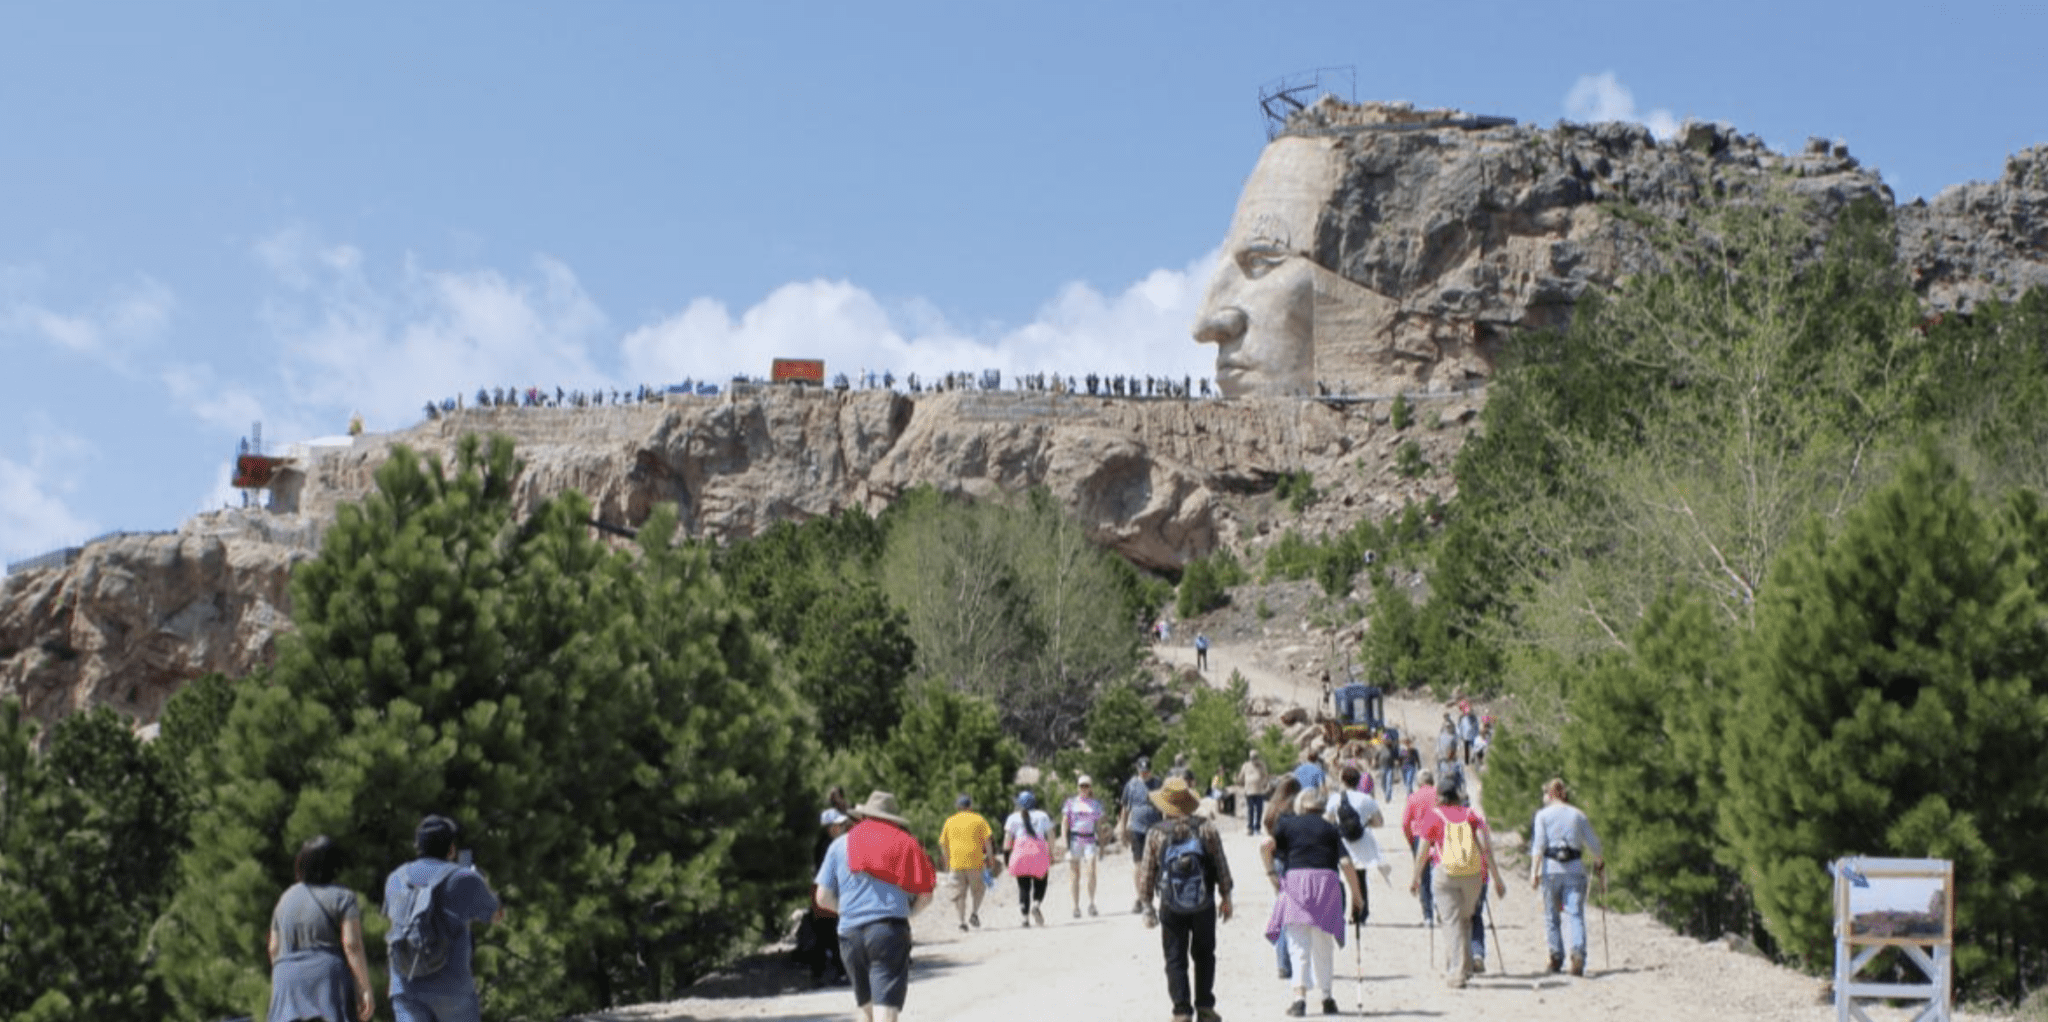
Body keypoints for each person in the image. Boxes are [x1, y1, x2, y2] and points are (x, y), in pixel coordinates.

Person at [815, 791, 937, 1022]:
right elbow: (926, 894)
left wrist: (847, 911)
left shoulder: (840, 845)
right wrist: (910, 913)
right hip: (888, 930)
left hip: (849, 932)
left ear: (864, 815)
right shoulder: (906, 843)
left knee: (866, 1008)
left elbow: (822, 898)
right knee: (885, 1009)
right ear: (893, 819)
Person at [381, 815, 503, 1022]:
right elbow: (496, 915)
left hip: (404, 986)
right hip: (451, 989)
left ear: (417, 845)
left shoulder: (396, 878)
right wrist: (482, 882)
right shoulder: (463, 878)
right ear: (451, 849)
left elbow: (390, 919)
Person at [1138, 777, 1235, 1022]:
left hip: (1170, 905)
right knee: (1205, 954)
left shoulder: (1156, 833)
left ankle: (1181, 1011)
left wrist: (1147, 905)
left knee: (1174, 957)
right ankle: (1205, 1007)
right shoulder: (1206, 827)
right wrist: (1226, 896)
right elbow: (1220, 864)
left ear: (1165, 806)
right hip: (1203, 903)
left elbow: (1147, 872)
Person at [1263, 788, 1366, 1017]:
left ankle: (1299, 1000)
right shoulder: (1331, 829)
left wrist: (1271, 874)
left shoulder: (1287, 826)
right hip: (1326, 886)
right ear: (1322, 806)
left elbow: (1265, 846)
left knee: (1298, 944)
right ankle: (1327, 998)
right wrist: (1356, 897)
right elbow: (1347, 863)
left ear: (1301, 805)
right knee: (1323, 944)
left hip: (1296, 884)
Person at [1409, 777, 1506, 989]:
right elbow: (1485, 848)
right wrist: (1497, 879)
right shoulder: (1472, 816)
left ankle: (1457, 971)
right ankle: (1467, 964)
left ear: (1440, 797)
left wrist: (1416, 877)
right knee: (1465, 919)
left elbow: (1423, 851)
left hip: (1446, 874)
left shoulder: (1435, 816)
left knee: (1450, 921)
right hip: (1473, 875)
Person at [267, 835, 374, 1022]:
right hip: (326, 980)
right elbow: (351, 945)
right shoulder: (343, 897)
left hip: (286, 977)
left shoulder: (286, 897)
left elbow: (274, 948)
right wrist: (364, 988)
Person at [1530, 778, 1605, 976]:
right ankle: (1578, 953)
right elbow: (1594, 844)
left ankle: (1556, 957)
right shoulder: (1578, 815)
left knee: (1551, 916)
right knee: (1575, 914)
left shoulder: (1542, 816)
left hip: (1551, 869)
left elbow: (1539, 846)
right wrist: (1599, 862)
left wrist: (1534, 872)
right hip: (1574, 869)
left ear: (1550, 794)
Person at [797, 808, 852, 985]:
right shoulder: (829, 846)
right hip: (828, 893)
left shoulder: (826, 843)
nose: (843, 827)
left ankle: (820, 973)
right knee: (833, 933)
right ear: (830, 827)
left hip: (823, 893)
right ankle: (836, 971)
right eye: (839, 824)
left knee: (825, 933)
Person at [938, 794, 996, 931]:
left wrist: (947, 862)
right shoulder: (979, 819)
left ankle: (961, 922)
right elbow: (988, 841)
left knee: (959, 893)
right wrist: (990, 858)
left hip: (956, 863)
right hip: (975, 862)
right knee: (979, 890)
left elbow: (942, 844)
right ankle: (974, 913)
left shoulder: (949, 821)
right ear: (970, 806)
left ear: (958, 807)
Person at [1003, 791, 1056, 927]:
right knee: (1041, 882)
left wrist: (1006, 858)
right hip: (1039, 851)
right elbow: (1050, 836)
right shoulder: (1043, 815)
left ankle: (1025, 919)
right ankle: (1036, 904)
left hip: (1020, 851)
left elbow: (1007, 840)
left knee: (1023, 887)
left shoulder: (1012, 818)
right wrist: (1051, 853)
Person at [1120, 757, 1163, 910]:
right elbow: (1125, 808)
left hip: (1155, 828)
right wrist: (1122, 829)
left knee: (1157, 862)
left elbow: (1165, 807)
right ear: (1138, 770)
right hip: (1137, 828)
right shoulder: (1131, 785)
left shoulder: (1158, 783)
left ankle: (1159, 892)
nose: (1145, 774)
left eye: (1147, 771)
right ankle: (1140, 898)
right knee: (1138, 864)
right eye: (1142, 771)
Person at [1059, 776, 1105, 918]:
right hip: (1075, 839)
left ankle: (1091, 903)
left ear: (1090, 787)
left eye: (1086, 786)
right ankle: (1075, 906)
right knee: (1075, 874)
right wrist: (1064, 843)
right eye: (1081, 786)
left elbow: (1099, 826)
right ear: (1078, 787)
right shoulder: (1070, 803)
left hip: (1090, 840)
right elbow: (1064, 824)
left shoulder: (1096, 804)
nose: (1084, 788)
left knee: (1091, 871)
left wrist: (1102, 845)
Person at [1400, 771, 1440, 925]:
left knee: (1423, 876)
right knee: (1441, 872)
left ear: (1418, 782)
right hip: (1439, 836)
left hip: (1420, 837)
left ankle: (1428, 916)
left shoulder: (1413, 797)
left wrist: (1411, 841)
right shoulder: (1440, 794)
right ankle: (1441, 909)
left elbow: (1405, 823)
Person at [1238, 749, 1271, 836]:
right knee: (1250, 810)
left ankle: (1257, 828)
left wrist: (1265, 784)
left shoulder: (1262, 765)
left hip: (1259, 791)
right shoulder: (1246, 765)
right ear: (1250, 758)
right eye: (1252, 757)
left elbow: (1266, 776)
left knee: (1259, 810)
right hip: (1249, 791)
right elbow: (1241, 776)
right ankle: (1250, 828)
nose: (1254, 759)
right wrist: (1242, 783)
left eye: (1255, 757)